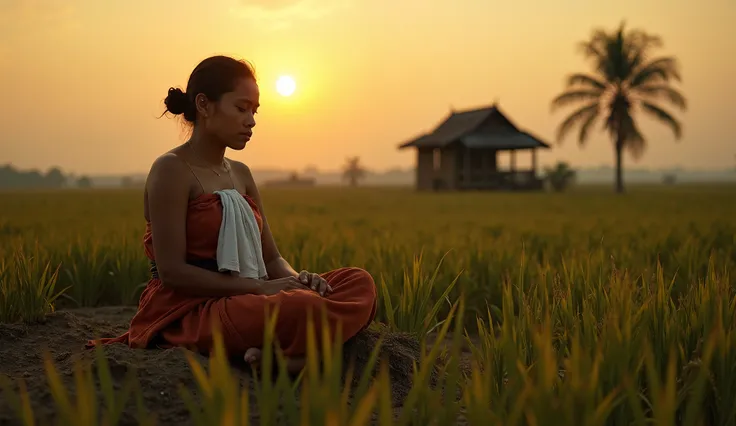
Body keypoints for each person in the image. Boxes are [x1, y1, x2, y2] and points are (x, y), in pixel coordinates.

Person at [86, 55, 377, 373]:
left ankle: (288, 356)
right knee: (302, 308)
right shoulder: (171, 170)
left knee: (358, 282)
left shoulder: (242, 173)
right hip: (192, 308)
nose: (251, 120)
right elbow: (172, 273)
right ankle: (302, 359)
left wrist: (300, 280)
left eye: (254, 111)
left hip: (251, 298)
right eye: (241, 108)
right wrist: (261, 289)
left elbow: (273, 260)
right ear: (204, 105)